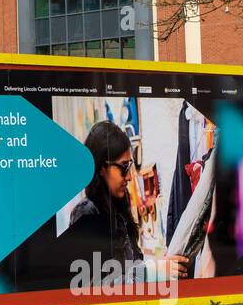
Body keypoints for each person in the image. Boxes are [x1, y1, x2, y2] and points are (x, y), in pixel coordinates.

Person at [69, 121, 188, 284]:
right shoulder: (86, 213)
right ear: (102, 168)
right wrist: (152, 271)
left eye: (130, 166)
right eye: (124, 167)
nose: (130, 177)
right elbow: (92, 286)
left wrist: (160, 264)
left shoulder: (118, 209)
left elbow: (132, 266)